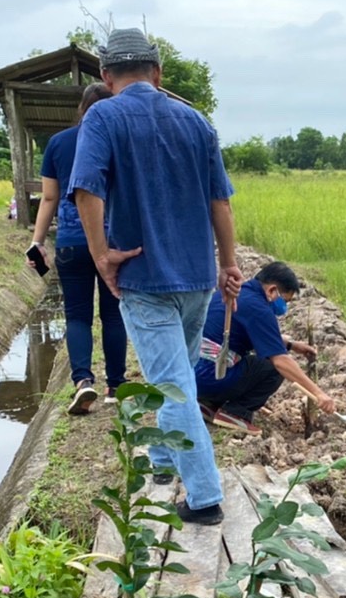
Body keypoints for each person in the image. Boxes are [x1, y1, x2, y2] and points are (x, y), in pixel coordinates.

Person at [68, 27, 241, 526]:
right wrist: (228, 263)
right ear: (157, 72)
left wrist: (102, 256)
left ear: (105, 75)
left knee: (172, 386)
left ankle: (205, 497)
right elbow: (220, 201)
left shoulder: (102, 115)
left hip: (143, 278)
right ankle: (164, 461)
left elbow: (85, 191)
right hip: (196, 278)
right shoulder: (195, 121)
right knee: (177, 376)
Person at [29, 82, 126, 415]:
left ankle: (83, 382)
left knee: (78, 315)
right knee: (114, 315)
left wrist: (37, 242)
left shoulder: (58, 143)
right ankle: (116, 385)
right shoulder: (120, 140)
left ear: (82, 109)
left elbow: (50, 198)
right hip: (113, 240)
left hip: (71, 241)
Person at [196, 261, 335, 435]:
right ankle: (236, 413)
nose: (284, 307)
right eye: (285, 300)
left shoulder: (233, 293)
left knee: (246, 359)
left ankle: (207, 404)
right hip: (213, 377)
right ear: (271, 290)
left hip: (193, 375)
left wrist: (292, 345)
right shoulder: (259, 309)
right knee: (272, 369)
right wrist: (318, 393)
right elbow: (280, 362)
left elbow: (257, 335)